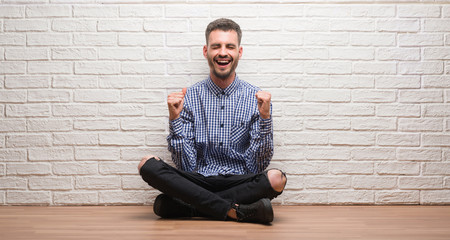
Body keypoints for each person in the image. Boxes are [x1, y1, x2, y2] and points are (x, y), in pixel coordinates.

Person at [138, 18, 287, 224]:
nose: (223, 52)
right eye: (216, 46)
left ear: (239, 52)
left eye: (230, 47)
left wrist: (265, 119)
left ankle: (191, 207)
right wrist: (175, 119)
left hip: (238, 181)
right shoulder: (189, 97)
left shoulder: (257, 98)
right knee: (146, 164)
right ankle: (235, 211)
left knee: (276, 179)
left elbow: (256, 166)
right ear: (206, 51)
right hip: (199, 180)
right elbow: (186, 165)